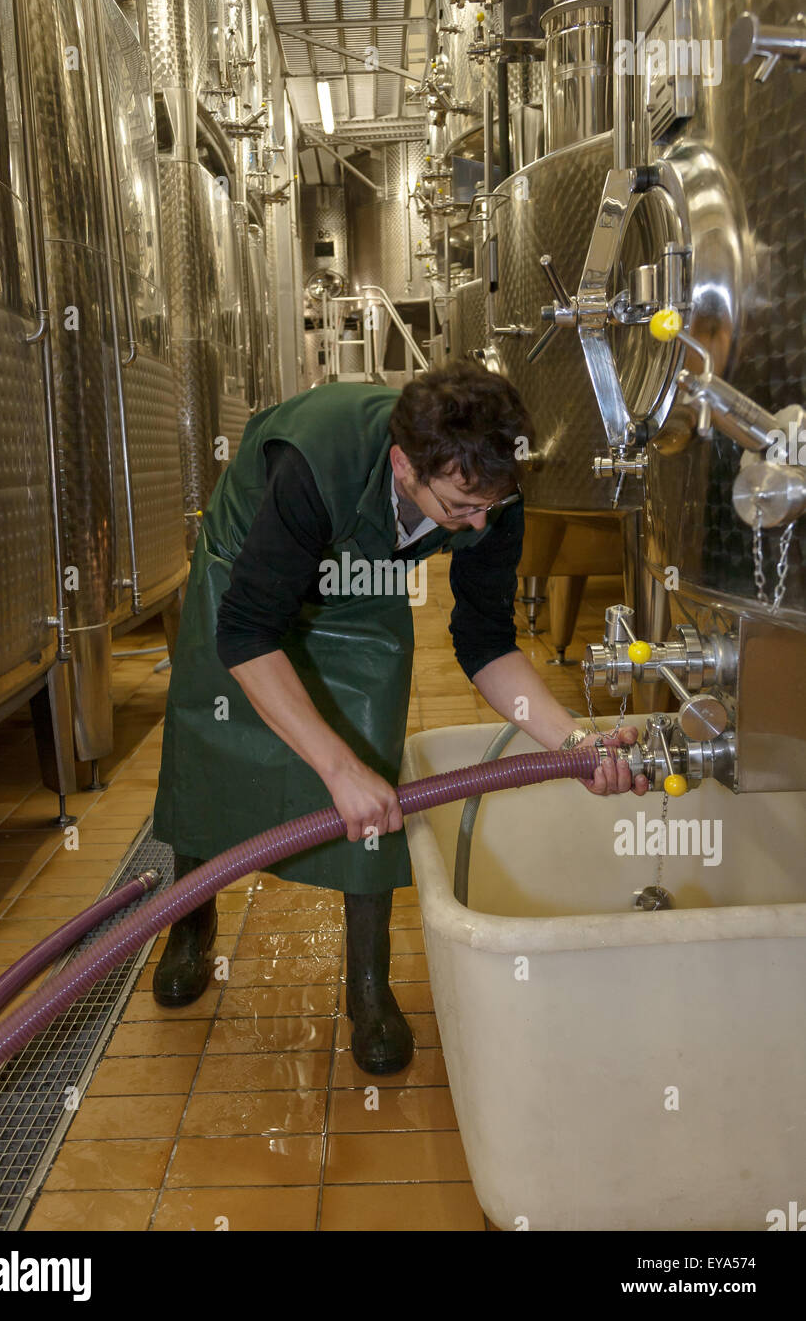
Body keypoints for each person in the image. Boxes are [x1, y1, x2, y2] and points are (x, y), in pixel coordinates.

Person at [151, 360, 647, 1073]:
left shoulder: (491, 492)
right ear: (403, 465)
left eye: (489, 509)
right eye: (459, 508)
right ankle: (191, 924)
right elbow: (248, 634)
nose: (477, 525)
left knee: (372, 769)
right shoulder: (315, 459)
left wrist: (575, 742)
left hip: (364, 586)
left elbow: (484, 645)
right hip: (244, 578)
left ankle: (368, 987)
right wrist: (333, 768)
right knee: (213, 746)